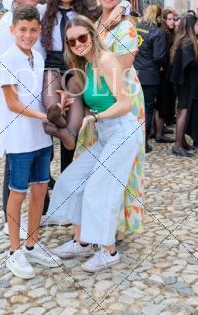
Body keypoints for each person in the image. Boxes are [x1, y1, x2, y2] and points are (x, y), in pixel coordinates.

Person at [48, 15, 142, 271]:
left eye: (82, 38)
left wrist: (95, 117)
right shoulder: (86, 65)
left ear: (92, 35)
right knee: (70, 181)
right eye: (72, 41)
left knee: (100, 189)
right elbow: (96, 100)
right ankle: (82, 241)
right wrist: (68, 100)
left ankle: (109, 252)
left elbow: (125, 103)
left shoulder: (106, 60)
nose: (78, 44)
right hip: (106, 133)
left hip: (122, 131)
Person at [0, 5, 61, 279]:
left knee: (40, 189)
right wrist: (45, 116)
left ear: (39, 30)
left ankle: (32, 244)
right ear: (13, 29)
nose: (28, 35)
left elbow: (41, 94)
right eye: (23, 29)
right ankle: (14, 251)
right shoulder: (7, 58)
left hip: (40, 136)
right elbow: (12, 103)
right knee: (18, 193)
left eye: (33, 30)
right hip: (19, 138)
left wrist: (57, 103)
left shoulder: (38, 55)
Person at [90, 0, 145, 235]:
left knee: (120, 162)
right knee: (97, 158)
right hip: (97, 95)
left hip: (121, 96)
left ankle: (114, 225)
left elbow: (122, 65)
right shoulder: (94, 23)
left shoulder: (126, 27)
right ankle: (96, 221)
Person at [0, 0, 44, 238]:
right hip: (17, 110)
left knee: (34, 173)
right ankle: (9, 221)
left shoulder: (37, 17)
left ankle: (33, 221)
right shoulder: (6, 25)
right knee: (14, 168)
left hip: (34, 112)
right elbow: (8, 71)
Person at [39, 0, 92, 173]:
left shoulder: (85, 13)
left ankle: (66, 134)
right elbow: (15, 7)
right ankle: (58, 117)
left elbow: (123, 6)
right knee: (52, 99)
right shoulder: (43, 11)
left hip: (74, 64)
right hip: (52, 64)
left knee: (75, 90)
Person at [168, 14, 198, 157]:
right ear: (191, 26)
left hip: (183, 82)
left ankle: (182, 142)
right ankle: (178, 145)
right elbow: (189, 64)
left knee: (182, 112)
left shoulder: (183, 41)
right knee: (183, 113)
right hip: (187, 83)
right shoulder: (188, 43)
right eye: (197, 25)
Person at [134, 5, 168, 153]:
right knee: (147, 110)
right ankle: (143, 143)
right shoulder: (158, 32)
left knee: (135, 109)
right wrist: (163, 65)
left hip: (134, 73)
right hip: (150, 75)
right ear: (158, 16)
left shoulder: (137, 28)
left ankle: (133, 141)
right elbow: (159, 56)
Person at [154, 8, 176, 141]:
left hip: (167, 72)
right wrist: (162, 65)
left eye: (173, 19)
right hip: (163, 73)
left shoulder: (169, 33)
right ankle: (158, 133)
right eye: (169, 19)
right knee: (161, 103)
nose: (172, 21)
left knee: (164, 102)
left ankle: (160, 129)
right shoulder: (163, 33)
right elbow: (160, 55)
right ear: (163, 20)